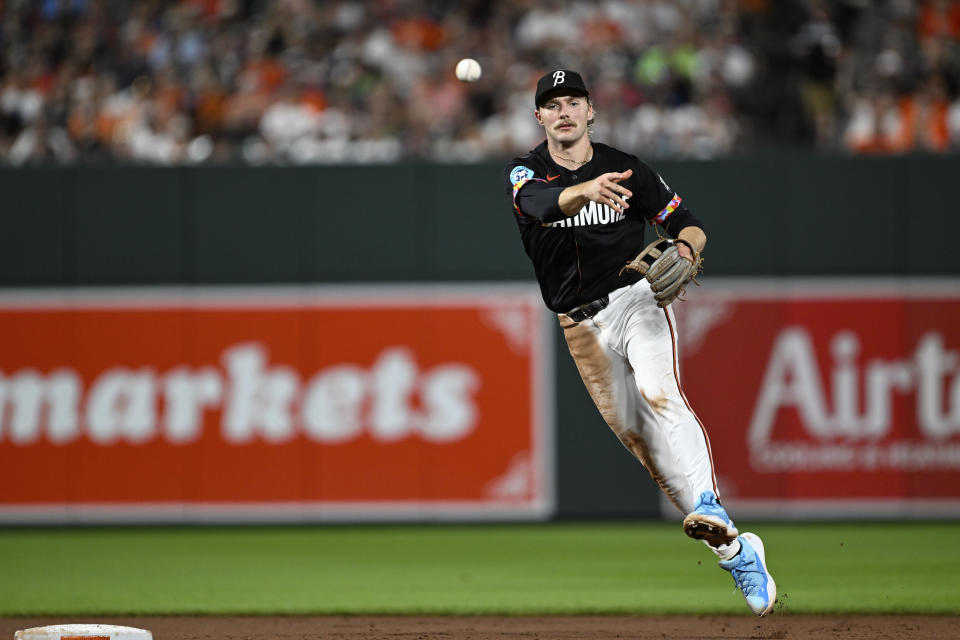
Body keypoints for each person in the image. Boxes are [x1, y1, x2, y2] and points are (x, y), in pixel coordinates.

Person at [502, 69, 776, 616]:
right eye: (552, 105)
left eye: (573, 101)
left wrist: (691, 250)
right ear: (540, 118)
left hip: (635, 301)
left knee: (660, 392)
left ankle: (710, 504)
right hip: (580, 325)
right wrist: (582, 192)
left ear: (590, 112)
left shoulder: (627, 168)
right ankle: (738, 550)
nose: (563, 111)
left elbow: (688, 222)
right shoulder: (525, 171)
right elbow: (537, 206)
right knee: (644, 445)